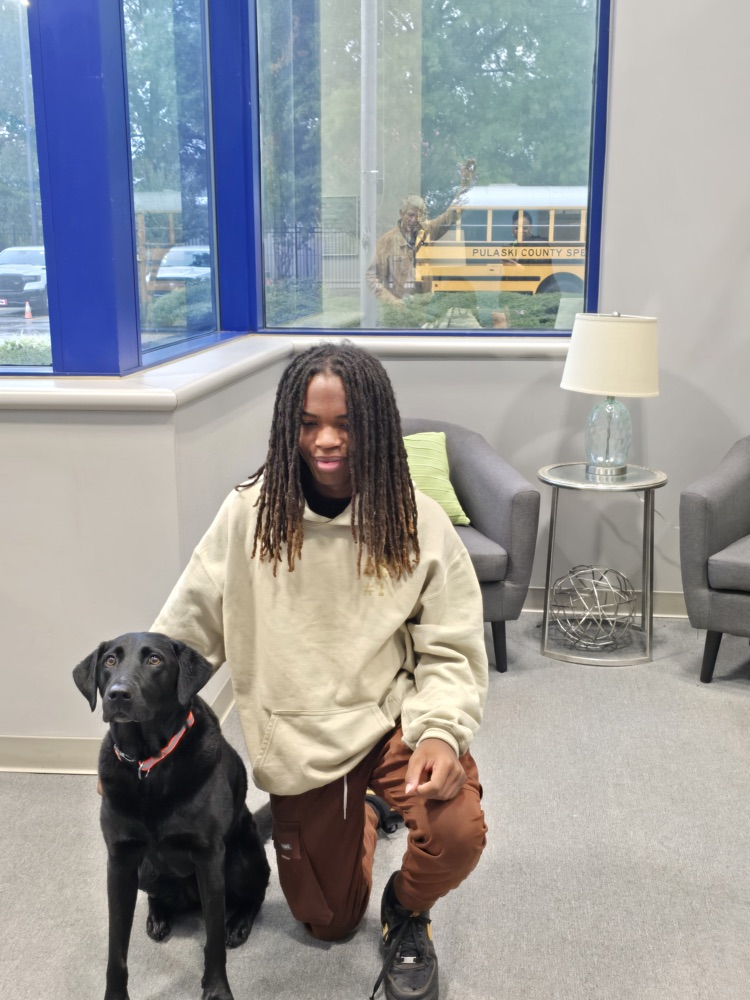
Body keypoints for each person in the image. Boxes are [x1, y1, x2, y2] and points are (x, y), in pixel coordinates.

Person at [151, 340, 488, 1000]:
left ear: (376, 425)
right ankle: (359, 809)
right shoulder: (250, 513)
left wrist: (443, 733)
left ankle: (407, 910)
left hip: (391, 724)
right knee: (326, 923)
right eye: (308, 424)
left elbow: (450, 649)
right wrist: (141, 746)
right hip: (301, 740)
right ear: (288, 426)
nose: (326, 440)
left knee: (456, 830)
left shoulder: (416, 520)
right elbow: (186, 633)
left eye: (345, 423)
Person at [367, 160, 476, 307]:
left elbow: (452, 214)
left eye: (419, 215)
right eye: (410, 215)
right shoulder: (387, 241)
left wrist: (465, 184)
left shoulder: (427, 231)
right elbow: (371, 276)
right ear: (401, 213)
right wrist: (391, 301)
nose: (414, 220)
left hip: (425, 307)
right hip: (399, 311)